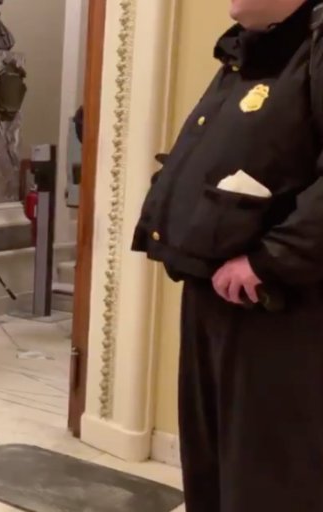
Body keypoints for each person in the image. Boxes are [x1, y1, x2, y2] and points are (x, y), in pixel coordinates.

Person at [133, 1, 323, 510]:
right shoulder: (248, 52)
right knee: (210, 462)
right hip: (212, 290)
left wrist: (269, 260)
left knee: (264, 475)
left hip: (274, 303)